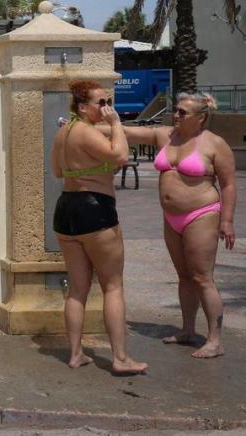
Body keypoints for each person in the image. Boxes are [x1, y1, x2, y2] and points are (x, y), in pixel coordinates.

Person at [112, 92, 236, 358]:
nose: (176, 115)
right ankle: (188, 330)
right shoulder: (165, 136)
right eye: (176, 111)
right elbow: (125, 132)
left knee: (202, 277)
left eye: (182, 112)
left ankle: (215, 340)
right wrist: (82, 124)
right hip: (171, 218)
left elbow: (228, 184)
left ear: (201, 117)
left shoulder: (214, 144)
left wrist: (227, 220)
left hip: (201, 214)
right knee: (183, 276)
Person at [50, 80, 148, 374]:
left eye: (108, 102)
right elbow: (120, 156)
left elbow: (57, 170)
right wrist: (116, 124)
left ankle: (76, 354)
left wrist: (91, 167)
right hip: (95, 209)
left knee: (77, 288)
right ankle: (120, 359)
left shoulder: (63, 132)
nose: (107, 108)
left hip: (66, 209)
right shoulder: (84, 131)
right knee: (113, 285)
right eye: (101, 103)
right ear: (82, 107)